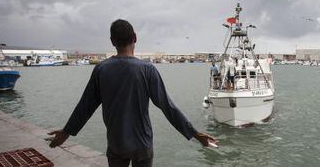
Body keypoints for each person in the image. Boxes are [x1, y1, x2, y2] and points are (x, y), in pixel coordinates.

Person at [46, 19, 217, 167]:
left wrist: (66, 132)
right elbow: (167, 107)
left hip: (116, 144)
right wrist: (195, 133)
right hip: (142, 145)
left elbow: (85, 107)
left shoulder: (101, 70)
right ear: (135, 38)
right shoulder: (147, 70)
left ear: (113, 41)